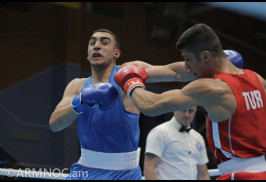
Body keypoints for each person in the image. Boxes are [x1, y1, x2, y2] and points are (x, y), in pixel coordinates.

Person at [114, 23, 266, 180]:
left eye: (188, 59)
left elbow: (150, 105)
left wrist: (130, 82)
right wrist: (129, 70)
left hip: (240, 176)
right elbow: (175, 72)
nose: (186, 65)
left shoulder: (213, 88)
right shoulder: (258, 80)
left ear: (206, 56)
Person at [49, 29, 142, 180]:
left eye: (104, 42)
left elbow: (171, 71)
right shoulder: (77, 86)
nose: (96, 46)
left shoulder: (127, 78)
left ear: (116, 53)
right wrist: (80, 102)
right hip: (84, 170)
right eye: (92, 43)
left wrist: (193, 66)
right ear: (87, 54)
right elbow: (54, 124)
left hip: (123, 173)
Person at [144, 107, 210, 180]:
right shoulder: (160, 132)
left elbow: (203, 174)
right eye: (183, 110)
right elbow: (149, 168)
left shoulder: (198, 138)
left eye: (190, 111)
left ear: (195, 111)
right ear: (174, 109)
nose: (187, 115)